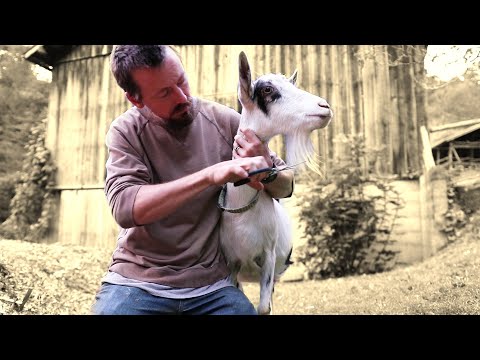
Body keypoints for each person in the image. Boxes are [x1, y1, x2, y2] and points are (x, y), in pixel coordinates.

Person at [91, 45, 294, 315]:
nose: (182, 96)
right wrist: (209, 176)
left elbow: (287, 185)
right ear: (136, 99)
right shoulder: (126, 132)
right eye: (164, 92)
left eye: (181, 80)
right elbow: (126, 208)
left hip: (212, 285)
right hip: (137, 282)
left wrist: (267, 168)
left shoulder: (225, 122)